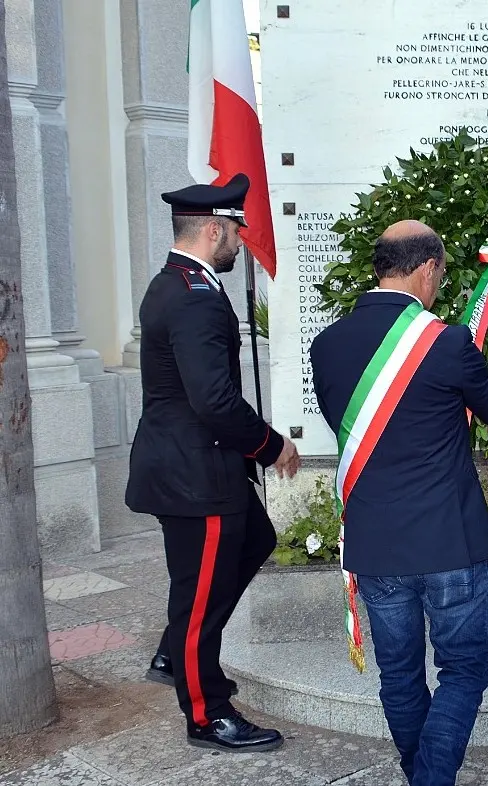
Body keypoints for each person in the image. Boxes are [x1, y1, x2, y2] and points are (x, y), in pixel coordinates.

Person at [310, 220, 488, 786]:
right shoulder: (446, 342)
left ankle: (421, 775)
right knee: (465, 669)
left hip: (377, 542)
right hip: (447, 539)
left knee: (399, 676)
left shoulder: (326, 345)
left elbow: (358, 431)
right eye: (441, 274)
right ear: (427, 269)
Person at [125, 173, 301, 752]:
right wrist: (273, 446)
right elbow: (214, 400)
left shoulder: (176, 282)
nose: (239, 245)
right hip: (195, 474)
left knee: (255, 539)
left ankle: (178, 648)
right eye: (235, 234)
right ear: (213, 229)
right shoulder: (194, 296)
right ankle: (207, 712)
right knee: (196, 595)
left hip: (197, 465)